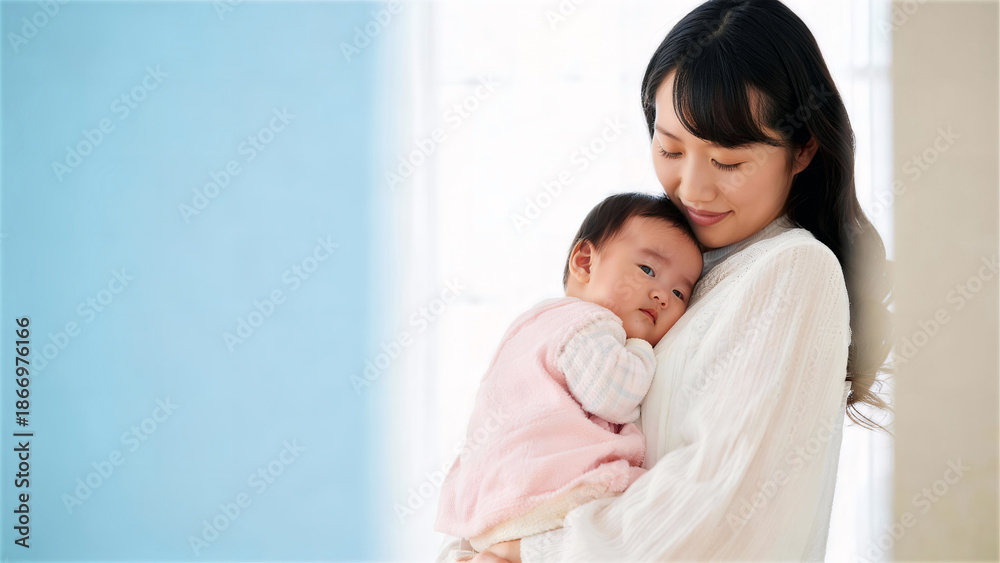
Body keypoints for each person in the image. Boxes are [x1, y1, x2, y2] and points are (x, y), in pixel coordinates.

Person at [436, 0, 893, 560]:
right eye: (670, 148)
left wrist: (526, 550)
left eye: (728, 161)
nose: (692, 189)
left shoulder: (794, 269)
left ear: (802, 151)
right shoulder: (671, 265)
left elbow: (719, 508)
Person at [434, 193, 703, 560]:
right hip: (552, 490)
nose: (662, 297)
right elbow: (614, 393)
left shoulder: (532, 326)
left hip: (495, 502)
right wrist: (641, 349)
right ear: (585, 263)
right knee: (661, 506)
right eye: (647, 270)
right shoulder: (587, 322)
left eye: (679, 292)